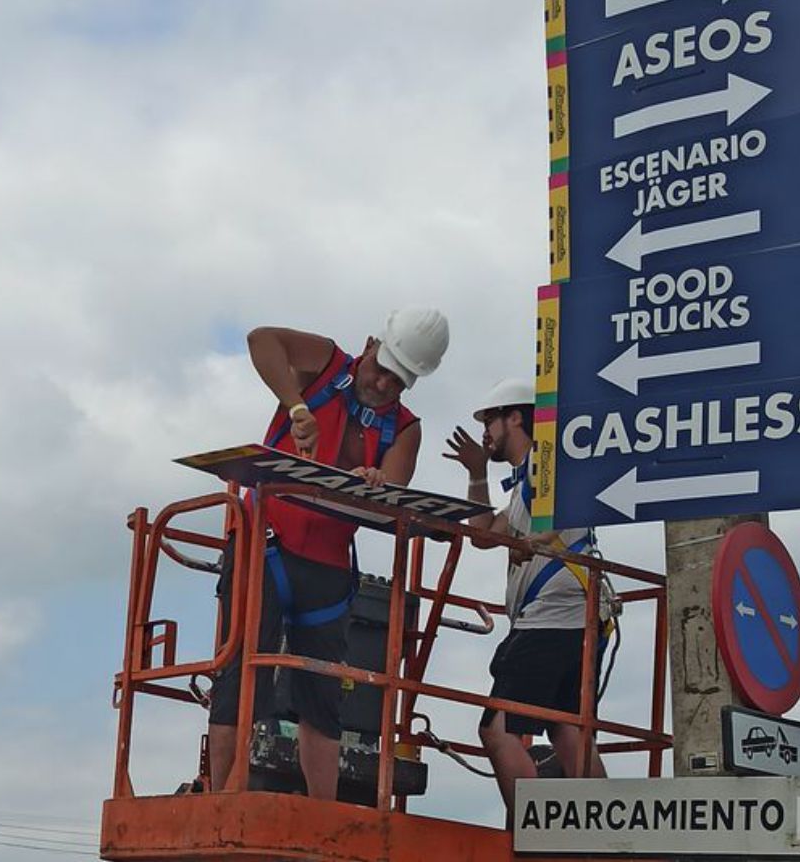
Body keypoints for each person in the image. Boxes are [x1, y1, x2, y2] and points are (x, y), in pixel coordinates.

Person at [206, 307, 450, 800]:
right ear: (369, 344)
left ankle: (324, 817)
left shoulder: (403, 428)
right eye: (382, 369)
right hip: (265, 547)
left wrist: (375, 483)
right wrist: (297, 408)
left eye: (399, 381)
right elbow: (261, 337)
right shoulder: (325, 364)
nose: (383, 385)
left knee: (323, 702)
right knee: (237, 686)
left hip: (329, 573)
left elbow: (395, 495)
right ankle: (218, 802)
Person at [444, 378, 608, 814]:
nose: (485, 432)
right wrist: (477, 474)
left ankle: (534, 834)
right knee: (567, 727)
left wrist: (534, 540)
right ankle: (609, 836)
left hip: (554, 613)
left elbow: (572, 504)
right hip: (576, 614)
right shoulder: (524, 485)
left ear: (515, 417)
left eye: (490, 421)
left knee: (497, 729)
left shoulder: (546, 463)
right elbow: (483, 536)